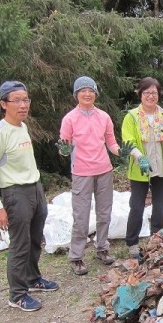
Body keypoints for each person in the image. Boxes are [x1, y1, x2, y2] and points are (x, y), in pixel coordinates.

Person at [0, 81, 58, 312]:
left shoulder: (22, 127)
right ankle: (17, 295)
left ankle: (33, 278)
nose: (23, 105)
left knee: (35, 238)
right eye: (17, 100)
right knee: (20, 243)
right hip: (15, 192)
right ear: (3, 104)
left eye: (26, 99)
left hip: (34, 187)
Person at [60, 76, 121, 275]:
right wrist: (63, 149)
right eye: (82, 91)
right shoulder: (69, 118)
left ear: (95, 93)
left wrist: (123, 152)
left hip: (104, 169)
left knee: (104, 213)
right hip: (81, 172)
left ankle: (102, 248)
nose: (87, 94)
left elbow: (111, 143)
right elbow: (65, 147)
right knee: (81, 216)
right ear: (76, 94)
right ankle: (76, 257)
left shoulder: (103, 116)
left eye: (90, 90)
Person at [121, 77, 163, 259]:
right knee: (137, 206)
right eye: (147, 93)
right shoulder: (132, 117)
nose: (151, 96)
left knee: (159, 205)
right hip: (140, 169)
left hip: (161, 167)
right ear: (140, 94)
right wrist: (140, 157)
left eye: (154, 93)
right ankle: (132, 243)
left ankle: (157, 239)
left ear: (158, 95)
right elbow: (128, 141)